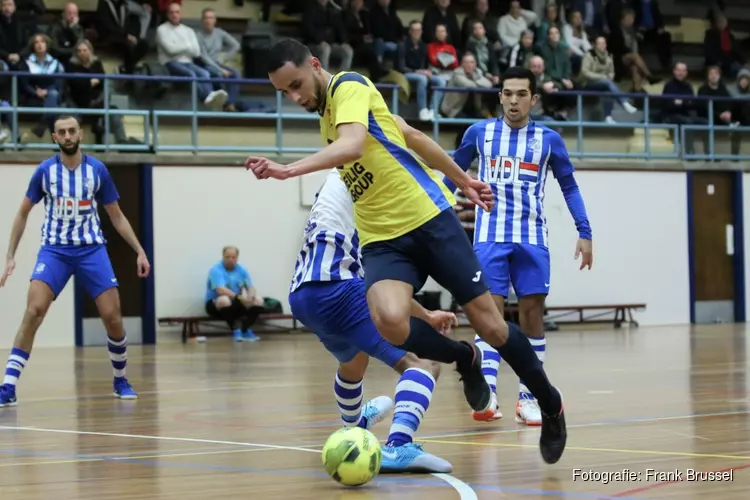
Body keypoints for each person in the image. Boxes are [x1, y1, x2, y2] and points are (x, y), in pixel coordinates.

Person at [245, 39, 567, 465]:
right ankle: (464, 359)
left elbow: (357, 145)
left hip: (429, 220)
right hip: (382, 237)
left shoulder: (350, 87)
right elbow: (410, 135)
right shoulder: (330, 114)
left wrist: (289, 168)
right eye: (283, 92)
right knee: (390, 321)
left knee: (492, 326)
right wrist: (464, 177)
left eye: (296, 85)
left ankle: (550, 402)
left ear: (316, 66)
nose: (293, 97)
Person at [443, 66, 593, 426]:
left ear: (534, 99)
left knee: (532, 317)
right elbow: (453, 173)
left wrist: (584, 231)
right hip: (489, 237)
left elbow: (569, 187)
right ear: (499, 97)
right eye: (507, 93)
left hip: (532, 238)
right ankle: (488, 395)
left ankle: (528, 398)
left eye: (521, 94)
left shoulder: (549, 140)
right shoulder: (479, 133)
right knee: (489, 318)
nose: (514, 100)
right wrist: (438, 209)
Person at [289, 168, 454, 473]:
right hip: (339, 288)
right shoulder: (368, 175)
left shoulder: (336, 178)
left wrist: (427, 314)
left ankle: (354, 427)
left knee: (354, 362)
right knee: (423, 363)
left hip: (303, 294)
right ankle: (399, 445)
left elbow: (374, 282)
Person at [0, 115, 150, 407]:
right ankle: (8, 386)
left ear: (80, 134)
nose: (68, 136)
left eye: (72, 131)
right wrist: (10, 255)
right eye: (62, 132)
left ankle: (120, 379)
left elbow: (115, 215)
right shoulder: (45, 172)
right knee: (34, 310)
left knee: (112, 315)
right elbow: (22, 212)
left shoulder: (97, 170)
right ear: (54, 138)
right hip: (55, 250)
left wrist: (139, 250)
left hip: (91, 249)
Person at [205, 246, 263, 342]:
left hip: (236, 302)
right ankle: (235, 330)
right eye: (227, 257)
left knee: (258, 300)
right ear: (223, 257)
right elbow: (221, 290)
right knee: (224, 300)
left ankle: (245, 329)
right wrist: (239, 297)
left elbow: (250, 287)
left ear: (237, 257)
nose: (230, 260)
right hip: (216, 304)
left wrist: (250, 297)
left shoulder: (242, 270)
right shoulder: (216, 270)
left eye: (233, 257)